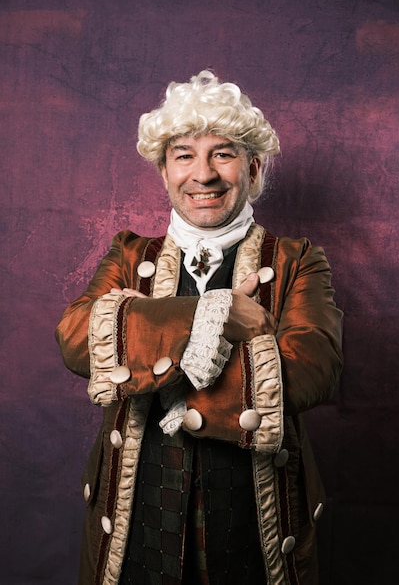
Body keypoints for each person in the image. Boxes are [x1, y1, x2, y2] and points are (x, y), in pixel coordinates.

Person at [56, 70, 343, 585]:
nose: (203, 174)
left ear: (252, 168)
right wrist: (213, 315)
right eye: (184, 154)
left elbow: (308, 372)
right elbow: (77, 338)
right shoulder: (128, 253)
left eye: (223, 153)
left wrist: (139, 338)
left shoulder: (300, 261)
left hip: (252, 522)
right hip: (138, 514)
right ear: (165, 171)